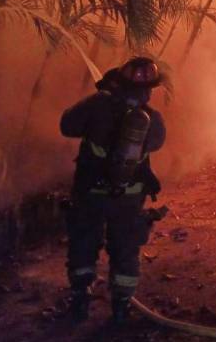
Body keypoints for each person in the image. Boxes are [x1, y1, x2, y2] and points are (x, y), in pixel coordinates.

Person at [60, 56, 166, 323]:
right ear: (149, 89)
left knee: (83, 244)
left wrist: (102, 102)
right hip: (129, 197)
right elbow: (156, 143)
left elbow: (67, 125)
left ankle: (80, 300)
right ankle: (121, 306)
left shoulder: (98, 105)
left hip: (92, 192)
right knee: (125, 248)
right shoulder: (152, 119)